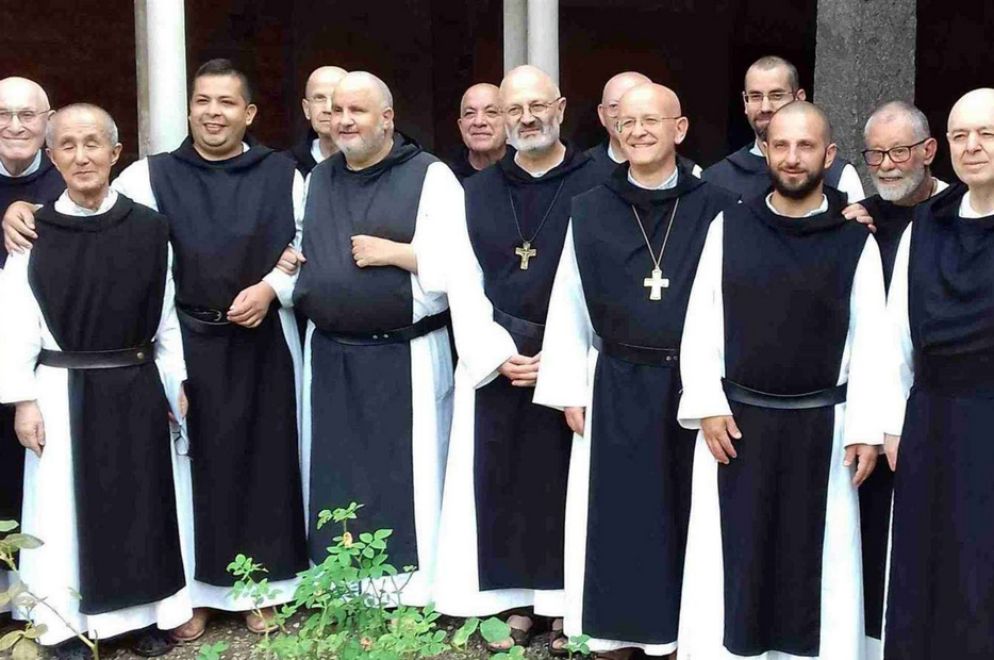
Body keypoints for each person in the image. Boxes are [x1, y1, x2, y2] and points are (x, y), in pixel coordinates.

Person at [2, 58, 309, 640]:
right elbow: (92, 221)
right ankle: (187, 593)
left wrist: (273, 288)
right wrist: (21, 209)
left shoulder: (281, 175)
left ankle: (260, 589)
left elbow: (300, 245)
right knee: (185, 474)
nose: (212, 113)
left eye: (226, 103)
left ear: (248, 113)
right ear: (189, 108)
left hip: (258, 338)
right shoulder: (149, 175)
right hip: (183, 343)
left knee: (261, 466)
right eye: (202, 101)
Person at [534, 82, 737, 659]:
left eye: (653, 120)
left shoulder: (718, 206)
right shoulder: (590, 208)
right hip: (616, 380)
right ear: (614, 132)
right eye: (627, 122)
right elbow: (569, 301)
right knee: (620, 517)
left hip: (690, 384)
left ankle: (681, 635)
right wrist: (570, 384)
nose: (639, 130)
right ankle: (615, 631)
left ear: (680, 129)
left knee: (684, 512)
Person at [677, 101, 886, 660]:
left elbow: (872, 343)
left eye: (806, 146)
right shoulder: (730, 226)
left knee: (816, 565)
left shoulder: (853, 243)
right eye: (782, 145)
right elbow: (701, 320)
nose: (793, 158)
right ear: (766, 150)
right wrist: (707, 403)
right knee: (734, 560)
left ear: (830, 155)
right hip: (737, 428)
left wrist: (865, 427)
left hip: (824, 429)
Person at [0, 104, 189, 659]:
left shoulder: (150, 229)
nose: (81, 157)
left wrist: (174, 380)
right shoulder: (34, 234)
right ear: (52, 156)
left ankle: (145, 617)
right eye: (68, 146)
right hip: (63, 390)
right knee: (64, 514)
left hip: (136, 382)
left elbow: (168, 313)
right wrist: (22, 401)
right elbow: (14, 322)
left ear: (115, 152)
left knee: (144, 506)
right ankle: (64, 627)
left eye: (92, 144)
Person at [434, 64, 601, 654]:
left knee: (563, 483)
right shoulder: (474, 192)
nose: (526, 118)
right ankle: (515, 601)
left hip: (572, 357)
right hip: (499, 356)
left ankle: (563, 603)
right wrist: (496, 352)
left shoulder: (599, 181)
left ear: (559, 108)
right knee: (503, 480)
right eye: (513, 110)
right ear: (501, 119)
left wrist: (560, 355)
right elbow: (461, 278)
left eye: (537, 106)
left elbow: (603, 278)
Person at [293, 71, 456, 607]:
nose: (344, 120)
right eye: (337, 110)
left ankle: (413, 591)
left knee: (404, 477)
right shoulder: (319, 178)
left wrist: (397, 254)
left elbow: (462, 265)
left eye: (358, 111)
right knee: (337, 474)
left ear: (387, 117)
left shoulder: (430, 177)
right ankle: (343, 588)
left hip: (402, 353)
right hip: (333, 353)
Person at [882, 88, 994, 660]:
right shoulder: (924, 226)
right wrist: (893, 423)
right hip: (931, 419)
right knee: (928, 564)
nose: (972, 146)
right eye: (960, 136)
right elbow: (897, 334)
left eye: (987, 134)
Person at [851, 99, 947, 658]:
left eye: (900, 151)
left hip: (939, 400)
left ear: (929, 151)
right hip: (870, 404)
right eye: (876, 154)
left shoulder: (962, 210)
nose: (886, 164)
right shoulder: (856, 217)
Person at [0, 76, 63, 616]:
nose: (15, 125)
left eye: (27, 114)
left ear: (48, 121)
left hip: (42, 369)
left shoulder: (69, 183)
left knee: (33, 490)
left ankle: (36, 608)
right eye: (3, 114)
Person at [702, 56, 864, 202]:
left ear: (799, 98)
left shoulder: (839, 174)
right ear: (745, 103)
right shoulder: (715, 179)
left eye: (776, 95)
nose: (765, 107)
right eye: (756, 96)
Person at [584, 72, 701, 181]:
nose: (637, 131)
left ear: (679, 128)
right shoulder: (580, 170)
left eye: (649, 118)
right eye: (614, 106)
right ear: (601, 114)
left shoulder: (692, 175)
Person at [287, 65, 348, 176]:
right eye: (319, 98)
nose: (328, 108)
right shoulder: (285, 167)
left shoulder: (373, 165)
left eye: (337, 97)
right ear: (306, 109)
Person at [450, 83, 507, 181]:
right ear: (461, 126)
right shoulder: (446, 178)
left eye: (491, 112)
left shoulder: (526, 171)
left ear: (508, 123)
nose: (479, 122)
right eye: (470, 113)